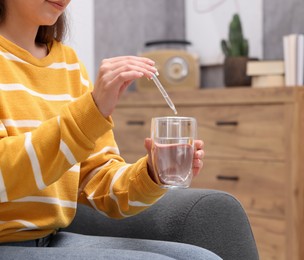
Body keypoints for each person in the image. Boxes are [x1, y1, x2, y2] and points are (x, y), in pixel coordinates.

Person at [0, 1, 219, 259]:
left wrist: (152, 172)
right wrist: (90, 113)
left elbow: (99, 181)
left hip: (50, 239)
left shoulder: (69, 65)